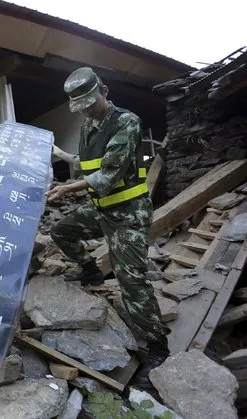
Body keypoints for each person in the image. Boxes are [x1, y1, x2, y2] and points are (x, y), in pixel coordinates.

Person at [47, 67, 170, 388]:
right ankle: (90, 271)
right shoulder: (89, 126)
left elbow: (107, 175)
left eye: (90, 102)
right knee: (62, 231)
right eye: (81, 106)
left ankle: (158, 345)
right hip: (102, 209)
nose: (87, 110)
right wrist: (63, 155)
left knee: (131, 278)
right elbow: (91, 163)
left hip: (128, 213)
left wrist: (65, 189)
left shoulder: (126, 122)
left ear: (105, 91)